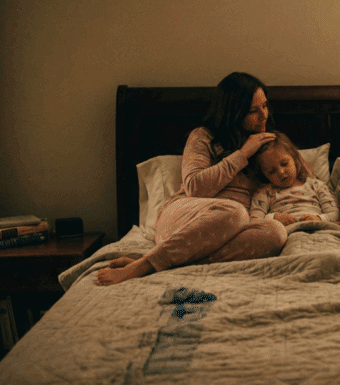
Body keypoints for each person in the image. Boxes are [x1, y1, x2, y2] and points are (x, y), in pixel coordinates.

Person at [97, 72, 288, 286]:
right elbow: (196, 188)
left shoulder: (268, 145)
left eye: (264, 106)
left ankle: (155, 260)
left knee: (276, 233)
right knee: (234, 211)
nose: (264, 115)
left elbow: (297, 177)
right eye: (253, 111)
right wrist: (242, 154)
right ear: (233, 112)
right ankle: (142, 267)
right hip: (184, 221)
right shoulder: (203, 137)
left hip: (223, 233)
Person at [249, 131, 340, 225]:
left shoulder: (317, 186)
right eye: (271, 171)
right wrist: (274, 218)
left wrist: (319, 218)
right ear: (264, 174)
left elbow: (334, 213)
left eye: (284, 163)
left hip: (319, 228)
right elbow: (254, 220)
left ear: (294, 158)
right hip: (288, 234)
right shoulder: (265, 193)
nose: (281, 172)